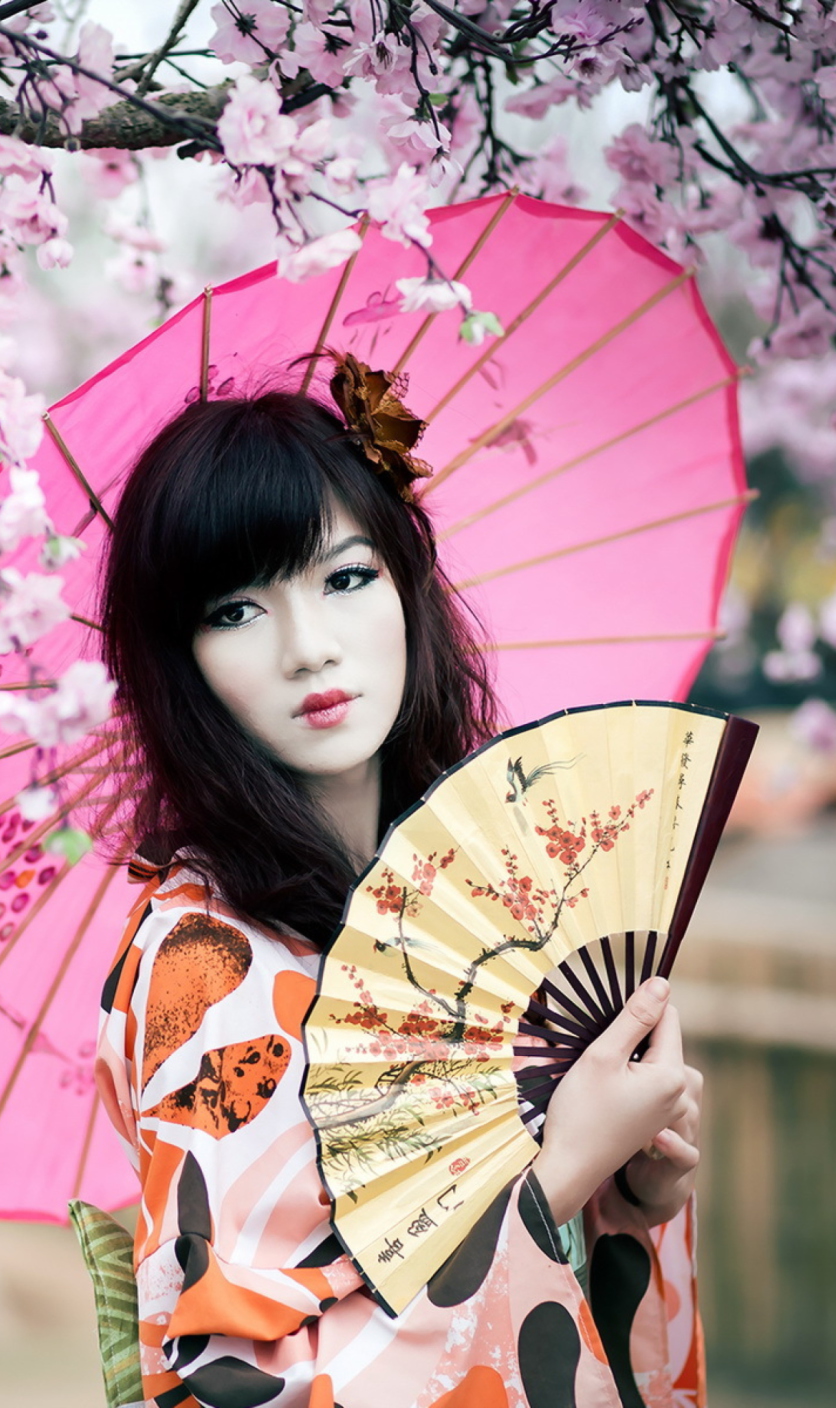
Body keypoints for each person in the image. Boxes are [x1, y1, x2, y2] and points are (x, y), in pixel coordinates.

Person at [93, 367, 706, 1408]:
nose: (309, 647)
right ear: (177, 662)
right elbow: (232, 1387)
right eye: (237, 609)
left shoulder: (476, 905)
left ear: (407, 582)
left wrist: (623, 1195)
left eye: (344, 578)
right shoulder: (210, 958)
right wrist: (556, 1173)